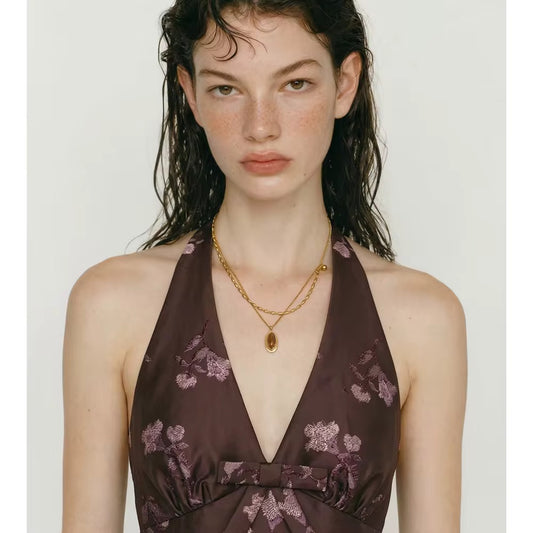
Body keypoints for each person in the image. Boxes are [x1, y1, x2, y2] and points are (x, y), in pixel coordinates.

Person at [61, 1, 467, 532]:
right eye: (226, 88)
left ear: (345, 84)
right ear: (190, 93)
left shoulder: (423, 318)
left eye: (294, 84)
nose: (260, 126)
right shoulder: (111, 306)